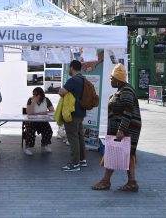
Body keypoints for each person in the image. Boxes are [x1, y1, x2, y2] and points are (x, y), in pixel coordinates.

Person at [92, 63, 142, 192]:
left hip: (128, 129)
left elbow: (128, 111)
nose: (110, 80)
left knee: (118, 152)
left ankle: (106, 181)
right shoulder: (122, 90)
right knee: (125, 153)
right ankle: (131, 182)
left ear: (118, 79)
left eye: (112, 78)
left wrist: (121, 129)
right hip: (123, 129)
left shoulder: (126, 91)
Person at [58, 60, 87, 172]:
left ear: (71, 68)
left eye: (69, 68)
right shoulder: (83, 79)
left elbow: (62, 92)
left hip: (72, 114)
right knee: (79, 137)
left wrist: (60, 90)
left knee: (73, 138)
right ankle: (82, 160)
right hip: (81, 113)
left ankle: (75, 164)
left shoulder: (73, 80)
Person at [24, 87, 54, 156]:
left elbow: (52, 110)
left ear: (41, 94)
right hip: (32, 121)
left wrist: (41, 113)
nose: (34, 96)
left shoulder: (46, 100)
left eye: (36, 94)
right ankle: (28, 147)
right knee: (30, 131)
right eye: (33, 94)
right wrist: (33, 102)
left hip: (43, 120)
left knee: (48, 130)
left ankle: (44, 145)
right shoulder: (30, 100)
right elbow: (29, 112)